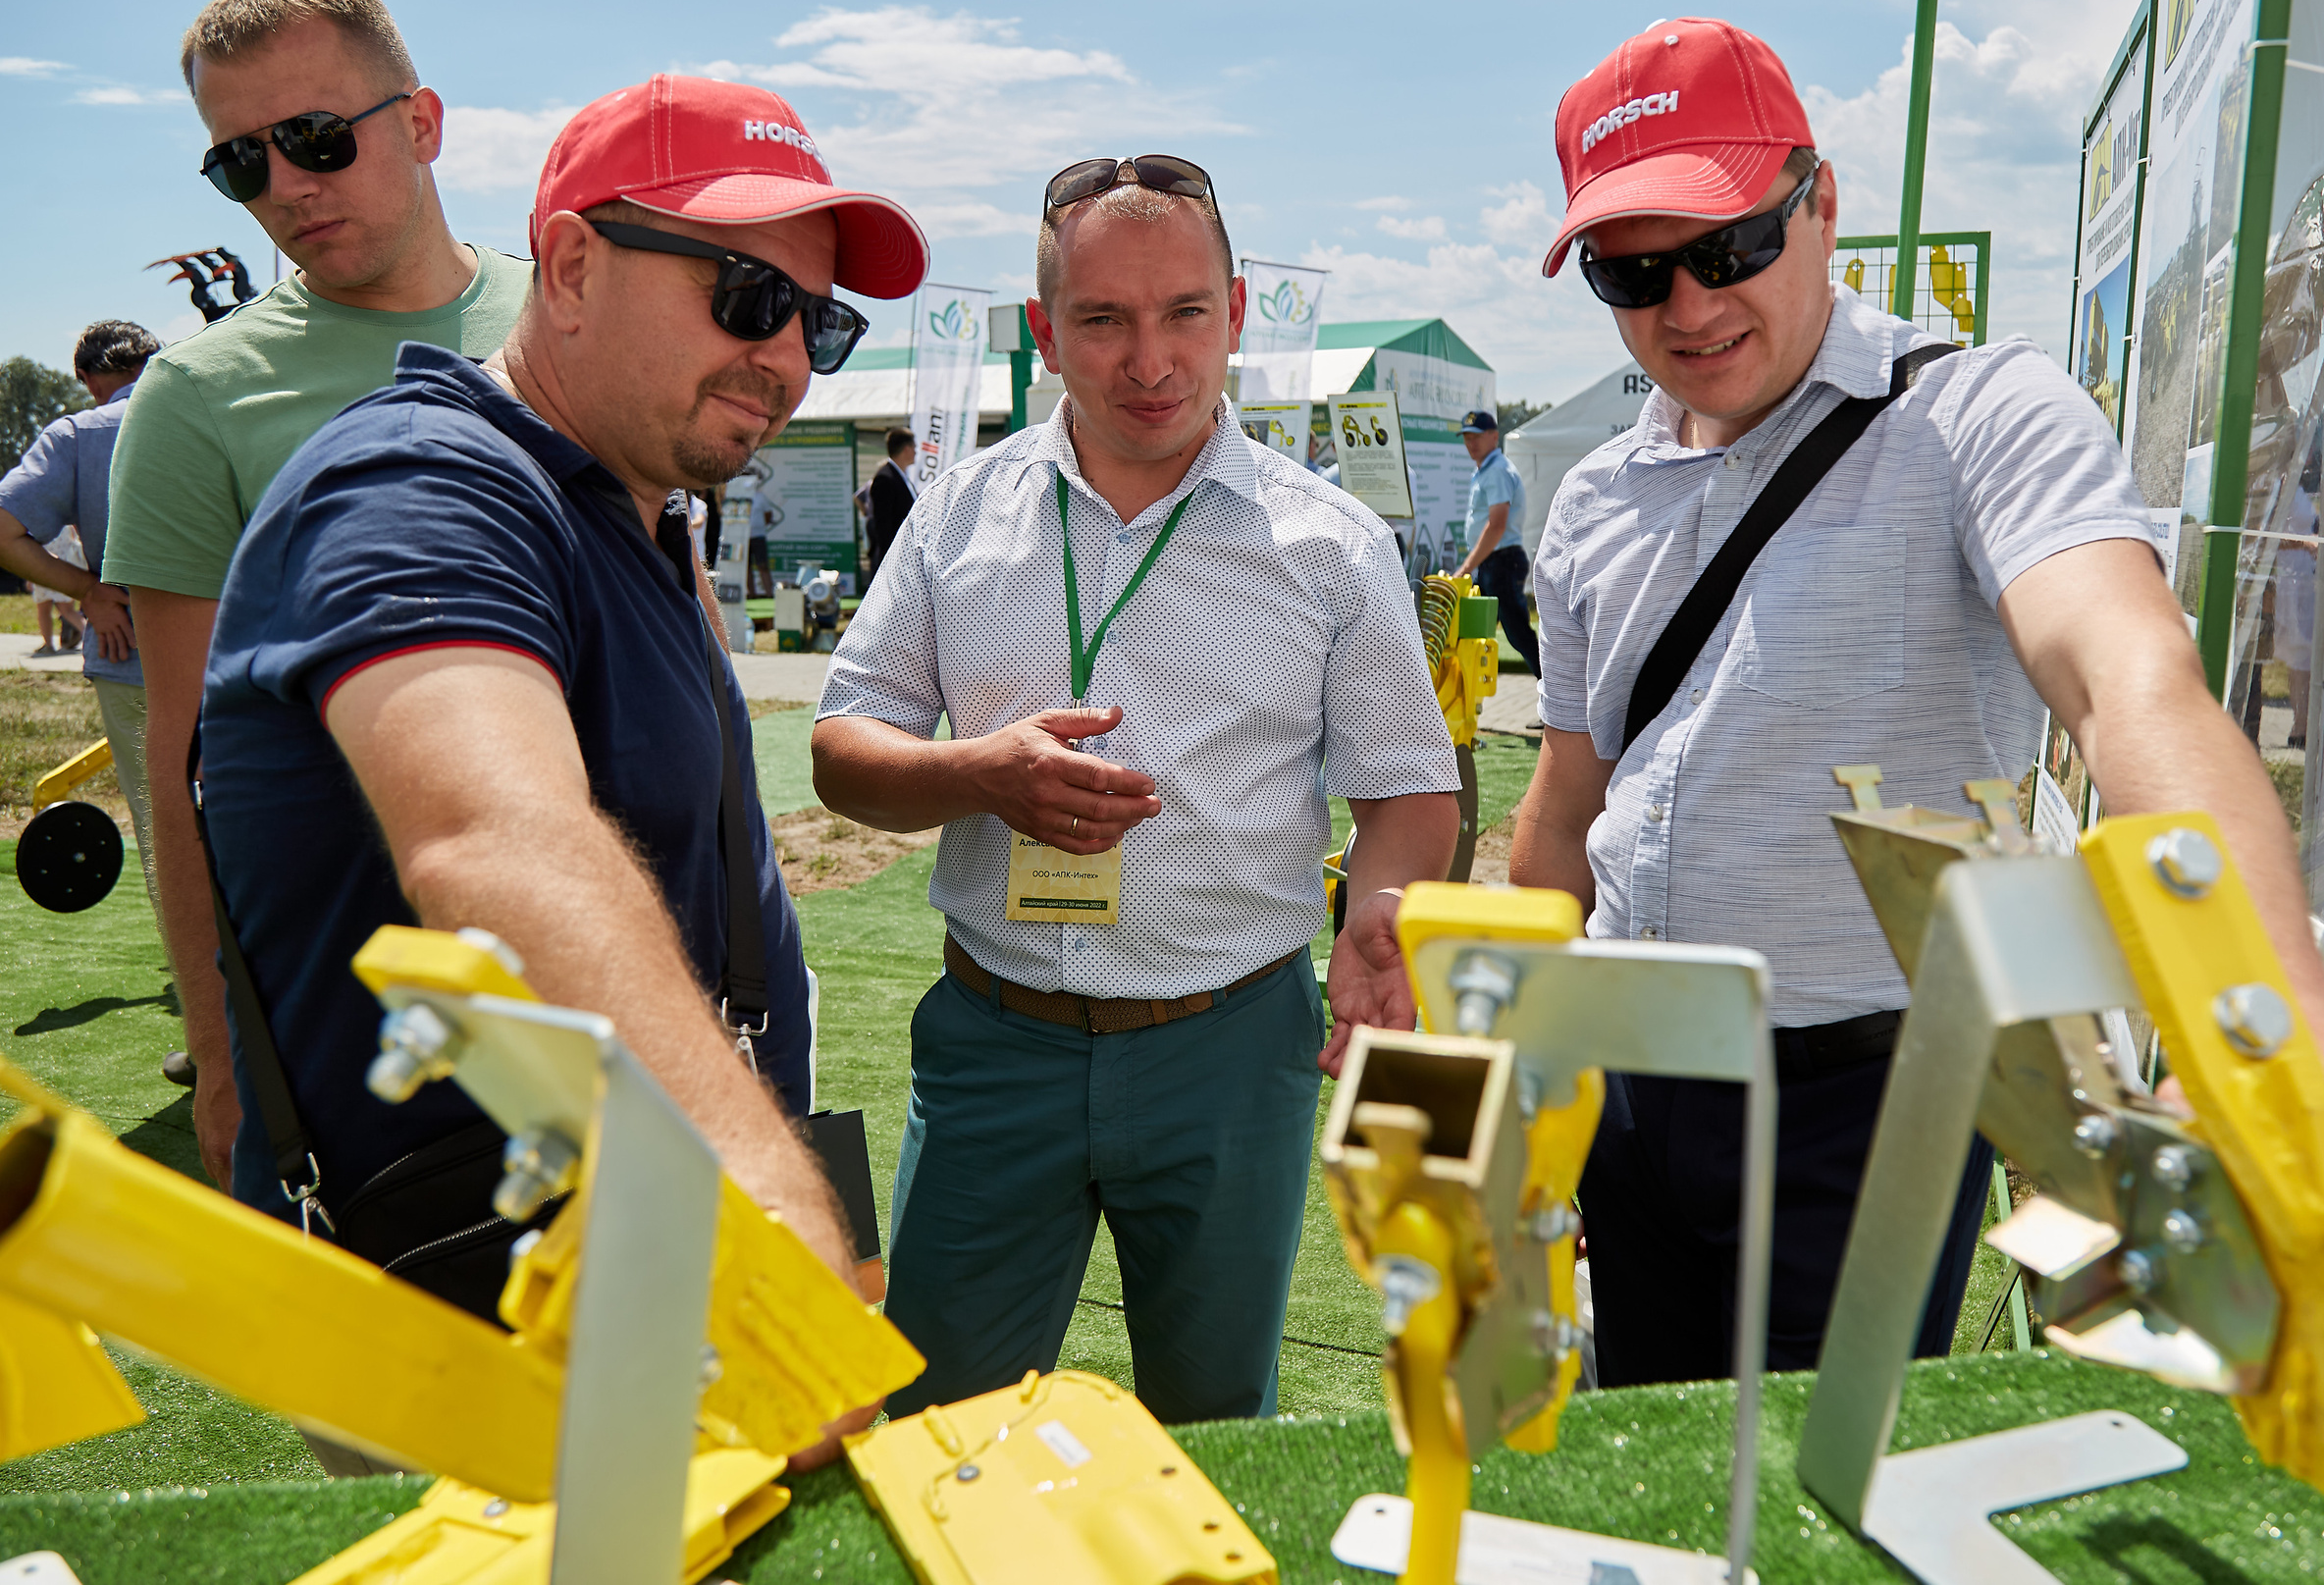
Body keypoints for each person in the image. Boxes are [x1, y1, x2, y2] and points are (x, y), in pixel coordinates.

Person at [1511, 19, 2324, 1388]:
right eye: (1631, 271)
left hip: (1859, 1095)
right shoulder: (1597, 493)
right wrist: (1516, 1047)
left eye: (1728, 248)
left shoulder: (1974, 415)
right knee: (1639, 1447)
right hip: (1620, 1070)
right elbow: (1567, 803)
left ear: (1819, 205)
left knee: (1811, 1473)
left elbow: (2126, 679)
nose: (1688, 305)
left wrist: (2269, 1020)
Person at [195, 71, 924, 1444]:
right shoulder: (417, 486)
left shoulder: (631, 507)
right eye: (748, 296)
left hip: (628, 1264)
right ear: (574, 265)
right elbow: (497, 842)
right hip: (488, 1314)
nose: (784, 357)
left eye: (818, 322)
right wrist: (761, 1198)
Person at [813, 154, 1461, 1422]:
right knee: (942, 1431)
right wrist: (977, 773)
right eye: (1104, 319)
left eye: (1186, 313)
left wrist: (1380, 911)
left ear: (1235, 312)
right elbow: (845, 747)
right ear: (1047, 330)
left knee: (1214, 1429)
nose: (1151, 360)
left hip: (1230, 1049)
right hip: (995, 1041)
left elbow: (1406, 789)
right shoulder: (956, 516)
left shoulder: (1329, 543)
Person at [102, 0, 536, 1189]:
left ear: (423, 123)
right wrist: (218, 1047)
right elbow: (186, 759)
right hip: (352, 1018)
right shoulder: (195, 398)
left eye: (314, 136)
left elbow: (684, 643)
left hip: (618, 964)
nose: (285, 186)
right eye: (240, 162)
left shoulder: (566, 321)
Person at [0, 321, 165, 921]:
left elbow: (4, 530)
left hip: (131, 648)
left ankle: (198, 962)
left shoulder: (78, 434)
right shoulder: (228, 410)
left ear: (90, 378)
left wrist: (87, 591)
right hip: (254, 649)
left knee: (162, 823)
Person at [1456, 407, 1540, 677]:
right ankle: (1469, 695)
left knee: (1518, 635)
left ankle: (1560, 696)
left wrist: (1466, 568)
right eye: (1467, 437)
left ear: (1494, 436)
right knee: (1475, 633)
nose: (1471, 443)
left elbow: (1496, 525)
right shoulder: (1487, 470)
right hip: (1494, 562)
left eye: (1476, 436)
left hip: (1501, 562)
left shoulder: (1496, 471)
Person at [861, 425, 914, 588]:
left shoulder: (900, 476)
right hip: (892, 560)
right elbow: (883, 526)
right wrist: (890, 564)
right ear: (906, 449)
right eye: (914, 447)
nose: (916, 452)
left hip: (903, 558)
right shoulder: (885, 478)